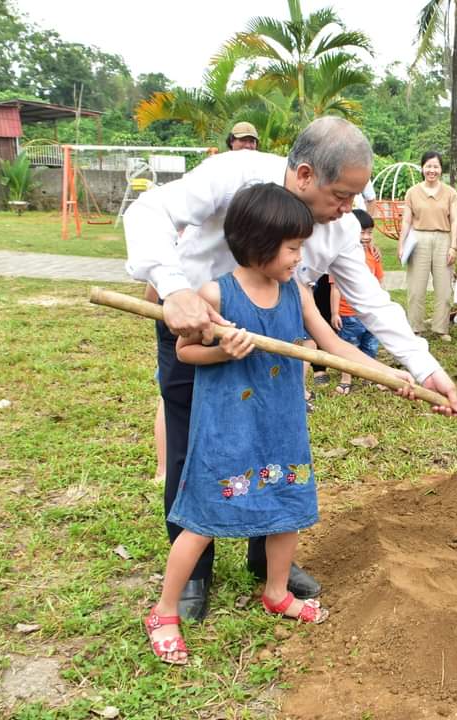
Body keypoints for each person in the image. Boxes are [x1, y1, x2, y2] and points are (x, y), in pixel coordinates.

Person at [125, 116, 457, 621]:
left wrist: (421, 365)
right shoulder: (234, 173)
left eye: (356, 197)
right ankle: (194, 572)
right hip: (194, 326)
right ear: (304, 175)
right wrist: (175, 289)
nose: (349, 209)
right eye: (342, 195)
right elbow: (150, 209)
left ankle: (269, 563)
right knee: (192, 447)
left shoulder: (340, 228)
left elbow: (369, 303)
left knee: (270, 445)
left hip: (274, 360)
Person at [143, 183, 414, 664]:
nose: (299, 256)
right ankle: (164, 611)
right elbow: (185, 352)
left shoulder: (298, 291)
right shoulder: (215, 293)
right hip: (227, 428)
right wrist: (221, 349)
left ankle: (276, 591)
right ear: (260, 243)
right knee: (203, 518)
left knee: (287, 503)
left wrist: (389, 373)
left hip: (280, 425)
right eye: (292, 248)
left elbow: (332, 343)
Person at [400, 151, 457, 340]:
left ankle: (441, 328)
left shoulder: (450, 193)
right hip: (419, 239)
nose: (432, 170)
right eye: (428, 166)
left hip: (444, 239)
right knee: (416, 287)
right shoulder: (412, 192)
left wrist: (453, 246)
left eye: (436, 166)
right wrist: (401, 244)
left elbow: (455, 220)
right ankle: (415, 327)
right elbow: (406, 222)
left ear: (441, 169)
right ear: (422, 168)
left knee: (444, 287)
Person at [330, 209, 384, 393]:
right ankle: (346, 379)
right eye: (362, 232)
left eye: (369, 232)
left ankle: (368, 376)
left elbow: (378, 281)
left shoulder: (373, 255)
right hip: (348, 313)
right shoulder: (341, 257)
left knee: (370, 345)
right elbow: (335, 287)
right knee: (348, 345)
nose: (366, 237)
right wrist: (335, 312)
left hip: (369, 312)